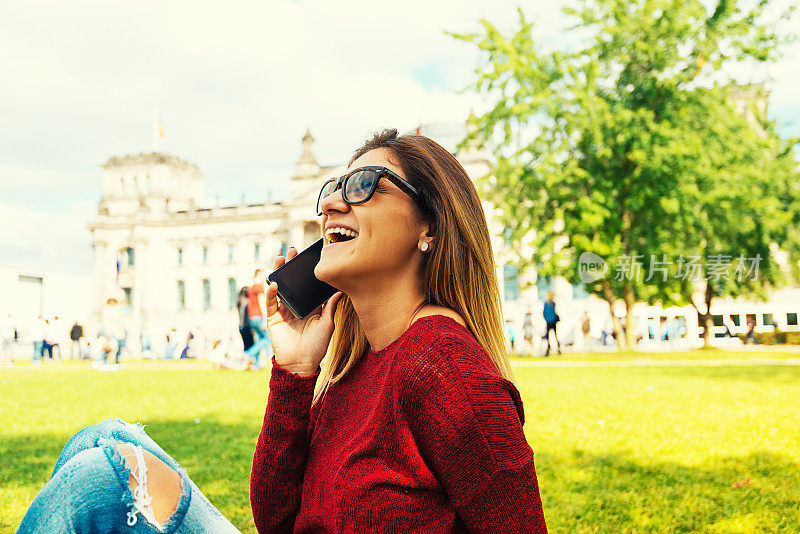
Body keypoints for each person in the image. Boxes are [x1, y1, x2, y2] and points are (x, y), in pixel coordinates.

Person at [17, 129, 547, 533]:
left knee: (103, 480)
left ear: (429, 225)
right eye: (332, 187)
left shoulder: (442, 365)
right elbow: (276, 520)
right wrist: (295, 370)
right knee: (110, 437)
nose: (330, 204)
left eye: (363, 187)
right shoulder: (359, 358)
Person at [542, 291, 561, 356]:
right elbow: (545, 313)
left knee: (553, 336)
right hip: (550, 322)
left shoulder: (551, 304)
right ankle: (549, 349)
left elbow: (545, 313)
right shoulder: (551, 304)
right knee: (549, 337)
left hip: (551, 322)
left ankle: (556, 349)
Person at [237, 286, 255, 352]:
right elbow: (247, 317)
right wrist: (251, 328)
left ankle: (247, 358)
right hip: (247, 326)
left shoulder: (239, 302)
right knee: (252, 345)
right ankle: (248, 357)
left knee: (246, 346)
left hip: (241, 327)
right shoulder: (247, 302)